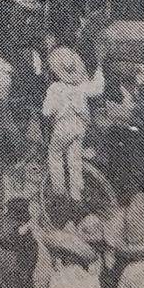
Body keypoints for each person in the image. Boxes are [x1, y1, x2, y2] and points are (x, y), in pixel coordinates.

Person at [42, 49, 106, 202]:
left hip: (63, 127)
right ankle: (76, 194)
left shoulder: (55, 89)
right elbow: (98, 88)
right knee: (74, 159)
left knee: (55, 155)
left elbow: (46, 111)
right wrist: (99, 67)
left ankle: (59, 191)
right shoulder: (81, 87)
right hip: (80, 127)